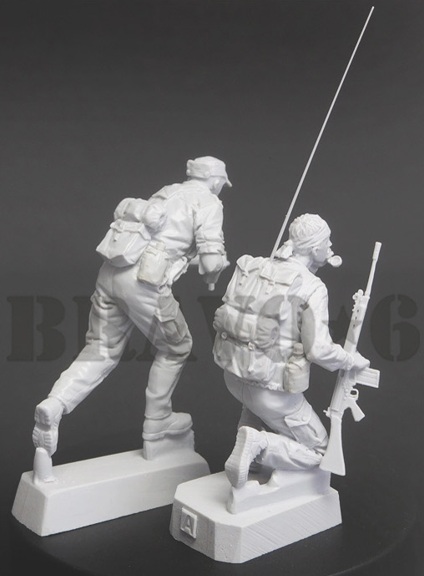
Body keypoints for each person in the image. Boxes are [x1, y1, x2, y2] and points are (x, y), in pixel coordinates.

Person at [32, 156, 232, 467]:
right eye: (221, 183)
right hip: (144, 283)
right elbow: (210, 263)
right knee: (177, 347)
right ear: (216, 180)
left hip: (111, 273)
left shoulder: (168, 191)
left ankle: (56, 403)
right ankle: (158, 421)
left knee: (100, 350)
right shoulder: (208, 202)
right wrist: (217, 264)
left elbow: (161, 241)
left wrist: (188, 259)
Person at [212, 213, 369, 489]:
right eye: (327, 241)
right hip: (272, 391)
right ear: (314, 247)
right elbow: (318, 350)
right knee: (319, 450)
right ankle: (259, 445)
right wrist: (349, 360)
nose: (331, 246)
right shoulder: (312, 286)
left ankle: (251, 456)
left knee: (257, 411)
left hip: (234, 377)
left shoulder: (255, 267)